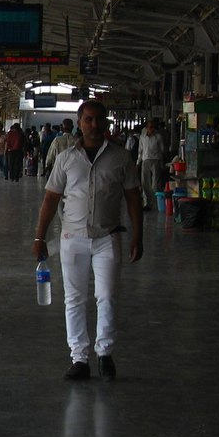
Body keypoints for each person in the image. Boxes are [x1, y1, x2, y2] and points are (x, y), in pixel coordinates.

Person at [31, 99, 143, 382]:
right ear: (79, 123)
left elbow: (133, 198)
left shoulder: (121, 158)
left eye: (99, 119)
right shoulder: (66, 158)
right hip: (72, 238)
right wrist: (39, 237)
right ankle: (79, 358)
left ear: (106, 122)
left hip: (108, 237)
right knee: (74, 298)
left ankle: (104, 353)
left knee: (107, 296)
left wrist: (138, 235)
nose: (94, 124)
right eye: (88, 119)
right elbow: (50, 200)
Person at [136, 119, 166, 211]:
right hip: (145, 161)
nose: (151, 129)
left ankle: (156, 203)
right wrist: (138, 163)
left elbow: (162, 150)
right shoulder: (142, 138)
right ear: (146, 128)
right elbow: (140, 151)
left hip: (155, 161)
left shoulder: (158, 137)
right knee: (145, 183)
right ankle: (147, 203)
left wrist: (162, 162)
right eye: (149, 127)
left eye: (153, 127)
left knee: (155, 184)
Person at [42, 117, 75, 182]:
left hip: (58, 170)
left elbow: (50, 156)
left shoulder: (57, 140)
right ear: (72, 127)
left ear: (62, 127)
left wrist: (47, 167)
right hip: (73, 171)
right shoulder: (76, 141)